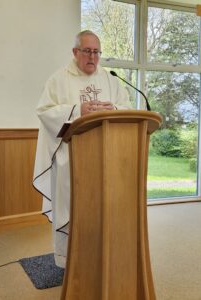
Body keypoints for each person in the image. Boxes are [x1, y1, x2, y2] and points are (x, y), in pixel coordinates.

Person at [33, 30, 132, 268]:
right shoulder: (58, 80)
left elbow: (127, 108)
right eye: (87, 51)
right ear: (75, 52)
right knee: (73, 210)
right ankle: (71, 264)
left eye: (96, 52)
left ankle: (101, 260)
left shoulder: (110, 79)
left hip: (105, 158)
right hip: (71, 160)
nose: (93, 57)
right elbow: (44, 111)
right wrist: (79, 110)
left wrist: (114, 110)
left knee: (104, 212)